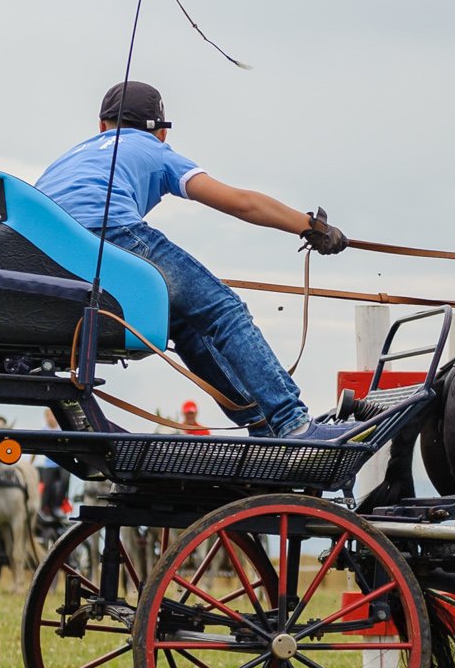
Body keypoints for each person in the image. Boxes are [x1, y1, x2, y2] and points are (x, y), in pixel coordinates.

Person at [36, 81, 350, 438]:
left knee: (184, 321)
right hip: (115, 233)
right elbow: (241, 202)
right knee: (224, 311)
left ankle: (260, 423)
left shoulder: (71, 157)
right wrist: (313, 228)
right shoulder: (156, 152)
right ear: (163, 133)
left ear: (101, 126)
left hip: (50, 252)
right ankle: (293, 423)